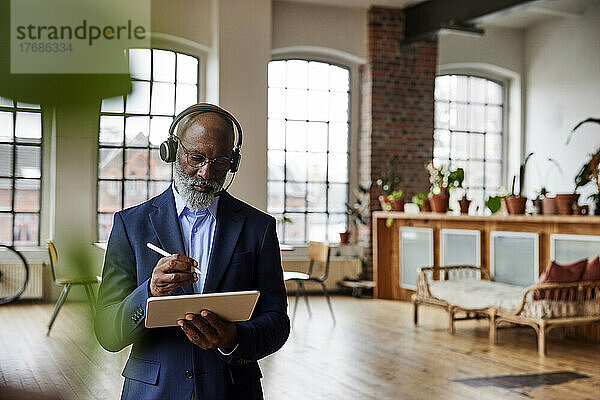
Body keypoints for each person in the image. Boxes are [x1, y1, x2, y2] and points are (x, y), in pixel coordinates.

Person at [94, 104, 290, 400]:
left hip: (232, 390)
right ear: (172, 151)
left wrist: (233, 338)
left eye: (220, 161)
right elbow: (107, 332)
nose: (206, 172)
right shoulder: (130, 225)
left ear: (233, 162)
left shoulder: (258, 228)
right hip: (153, 391)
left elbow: (277, 321)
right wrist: (148, 291)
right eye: (196, 157)